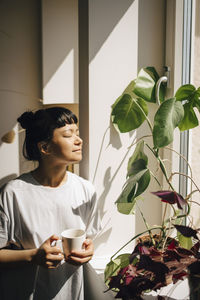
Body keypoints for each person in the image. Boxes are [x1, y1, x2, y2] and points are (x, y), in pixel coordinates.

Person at [0, 107, 101, 300]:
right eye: (68, 135)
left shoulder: (86, 191)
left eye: (77, 133)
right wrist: (33, 256)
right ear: (44, 147)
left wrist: (89, 251)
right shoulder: (13, 193)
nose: (79, 140)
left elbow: (89, 240)